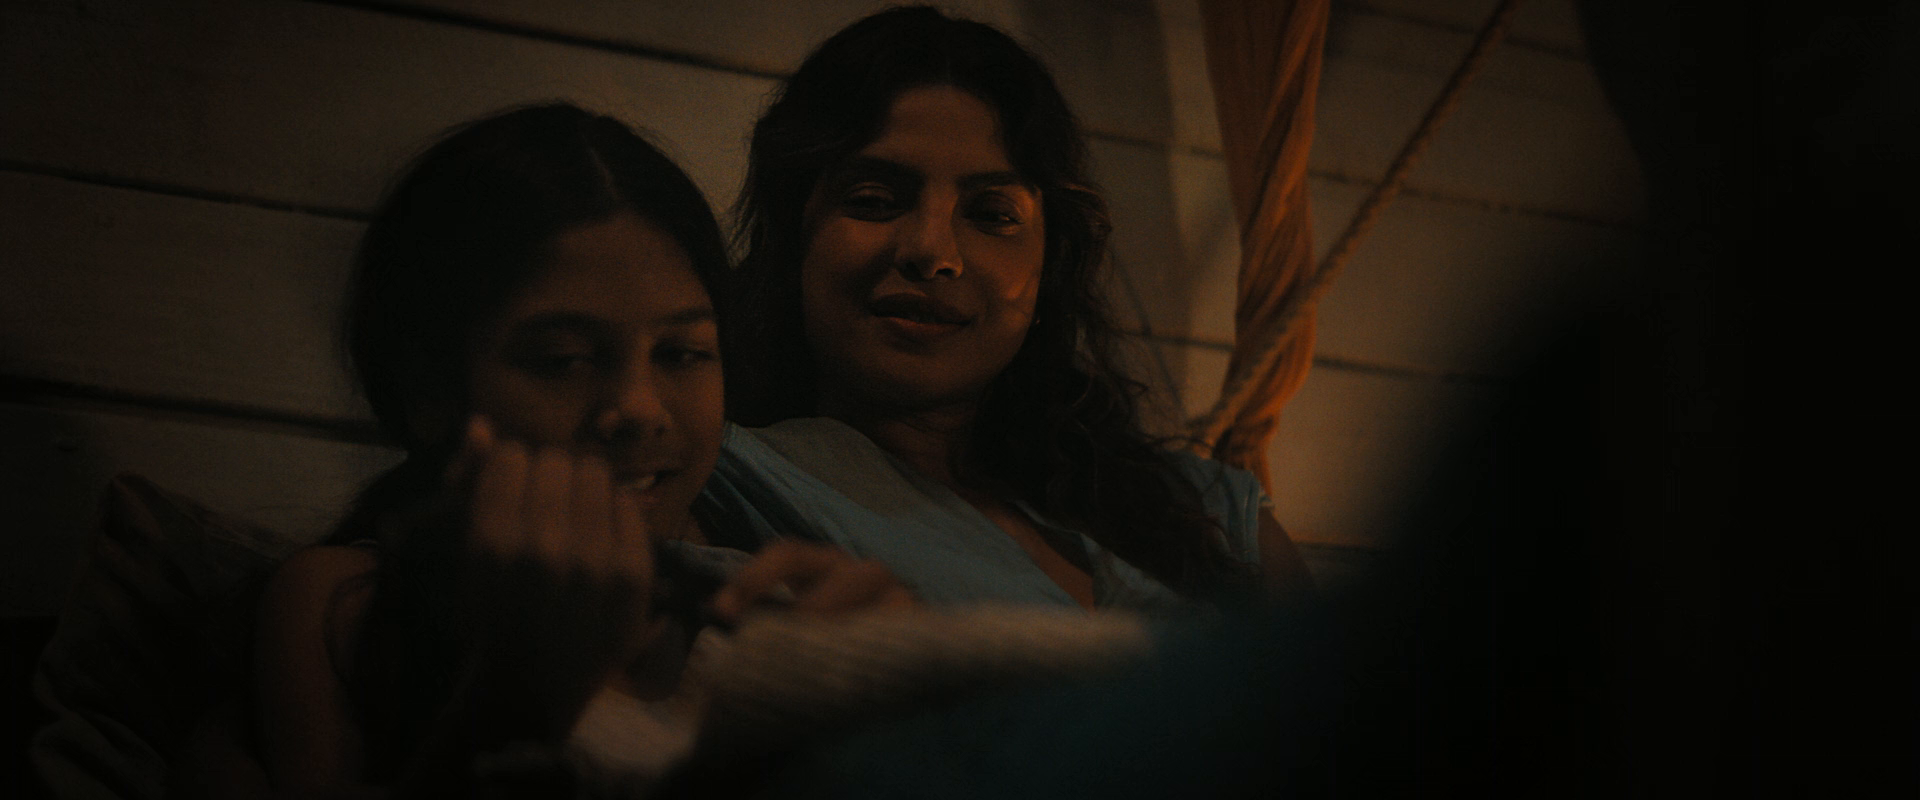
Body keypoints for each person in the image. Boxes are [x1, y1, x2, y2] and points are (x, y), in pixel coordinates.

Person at [247, 103, 911, 798]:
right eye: (563, 360)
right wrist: (525, 687)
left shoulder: (753, 603)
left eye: (682, 352)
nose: (641, 408)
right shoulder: (348, 599)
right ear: (430, 394)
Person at [707, 6, 1312, 612]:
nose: (933, 252)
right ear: (794, 235)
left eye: (991, 214)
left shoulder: (1205, 511)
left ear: (1050, 264)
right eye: (874, 200)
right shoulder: (724, 479)